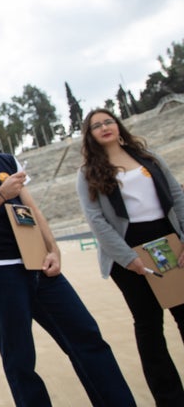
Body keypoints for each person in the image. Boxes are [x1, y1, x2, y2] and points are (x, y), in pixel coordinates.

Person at [0, 96, 134, 407]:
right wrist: (0, 194)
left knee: (87, 337)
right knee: (20, 361)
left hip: (39, 265)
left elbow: (31, 208)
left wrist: (53, 249)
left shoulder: (8, 161)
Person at [77, 108, 184, 406]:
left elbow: (177, 196)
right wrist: (127, 258)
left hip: (167, 240)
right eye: (96, 125)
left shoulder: (149, 158)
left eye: (108, 121)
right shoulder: (88, 173)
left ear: (118, 125)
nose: (104, 127)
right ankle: (170, 399)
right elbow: (96, 220)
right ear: (90, 135)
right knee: (149, 325)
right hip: (126, 250)